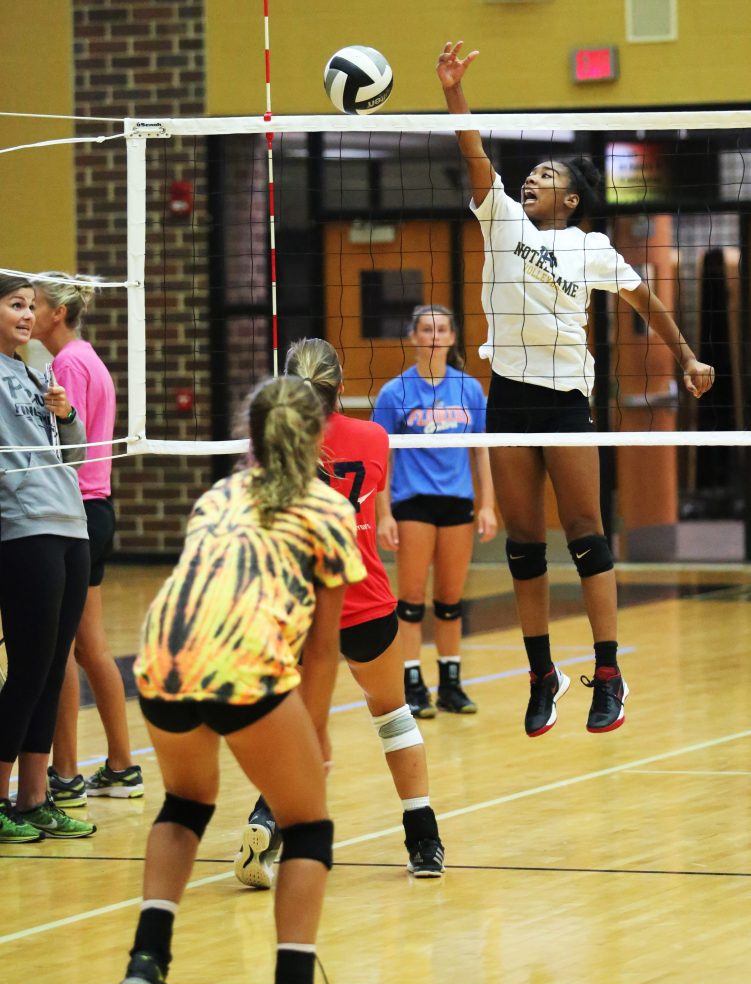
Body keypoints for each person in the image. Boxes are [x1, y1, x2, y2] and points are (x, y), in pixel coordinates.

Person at [436, 41, 716, 736]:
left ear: (570, 197)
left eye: (546, 175)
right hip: (508, 398)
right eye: (529, 172)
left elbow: (644, 301)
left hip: (564, 400)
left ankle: (608, 672)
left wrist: (686, 356)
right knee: (524, 545)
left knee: (586, 535)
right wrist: (452, 94)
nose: (531, 178)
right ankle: (541, 673)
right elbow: (474, 153)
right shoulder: (498, 218)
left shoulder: (590, 246)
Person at [116, 375, 365, 984]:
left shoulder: (217, 495)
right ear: (318, 434)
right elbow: (321, 647)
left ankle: (147, 961)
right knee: (307, 826)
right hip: (241, 660)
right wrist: (314, 733)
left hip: (159, 660)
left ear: (251, 435)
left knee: (184, 803)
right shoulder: (329, 510)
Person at [234, 338, 445, 892]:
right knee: (393, 716)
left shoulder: (269, 441)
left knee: (299, 725)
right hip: (365, 598)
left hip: (296, 606)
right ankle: (423, 839)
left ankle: (265, 819)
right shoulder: (374, 437)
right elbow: (372, 499)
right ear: (340, 384)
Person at [32, 272, 143, 808]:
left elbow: (63, 445)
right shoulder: (88, 357)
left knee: (60, 652)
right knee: (91, 648)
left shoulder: (68, 364)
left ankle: (68, 774)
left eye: (34, 304)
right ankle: (122, 765)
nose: (27, 312)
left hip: (74, 510)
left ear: (57, 313)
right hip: (96, 509)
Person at [0, 273, 95, 842]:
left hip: (70, 525)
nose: (28, 315)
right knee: (29, 667)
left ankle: (35, 799)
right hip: (22, 529)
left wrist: (63, 414)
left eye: (32, 307)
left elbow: (78, 455)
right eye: (15, 304)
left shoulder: (39, 371)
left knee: (53, 668)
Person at [372, 304, 498, 718]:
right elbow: (380, 458)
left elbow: (481, 450)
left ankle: (451, 685)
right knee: (410, 600)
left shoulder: (469, 389)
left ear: (452, 337)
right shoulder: (395, 392)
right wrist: (384, 513)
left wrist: (488, 505)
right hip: (413, 503)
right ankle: (412, 685)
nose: (434, 336)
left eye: (442, 328)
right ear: (413, 337)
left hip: (457, 502)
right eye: (426, 329)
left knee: (449, 600)